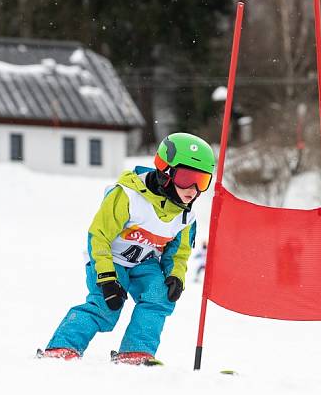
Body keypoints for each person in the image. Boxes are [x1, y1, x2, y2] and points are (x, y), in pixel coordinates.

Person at [38, 132, 216, 365]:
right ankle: (64, 345)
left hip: (145, 263)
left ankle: (135, 351)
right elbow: (99, 236)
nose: (193, 189)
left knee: (159, 298)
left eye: (202, 181)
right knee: (105, 307)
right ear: (165, 171)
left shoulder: (186, 215)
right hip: (111, 259)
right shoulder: (128, 195)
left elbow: (178, 252)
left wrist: (176, 276)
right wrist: (106, 277)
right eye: (186, 178)